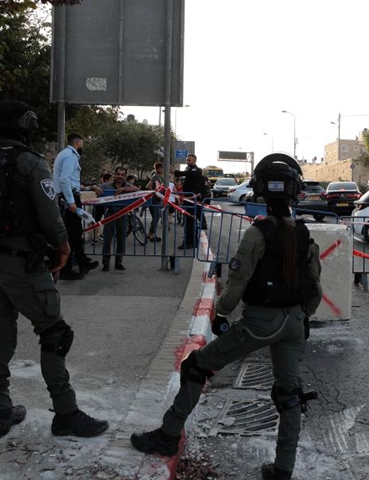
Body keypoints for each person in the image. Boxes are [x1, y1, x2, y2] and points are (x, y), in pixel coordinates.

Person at [130, 154, 323, 480]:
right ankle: (283, 468)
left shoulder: (258, 233)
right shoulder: (305, 234)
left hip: (260, 324)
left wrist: (221, 312)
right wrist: (299, 316)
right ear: (295, 191)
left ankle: (168, 435)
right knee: (289, 394)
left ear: (260, 189)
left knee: (196, 366)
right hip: (294, 323)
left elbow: (234, 289)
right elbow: (315, 288)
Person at [0, 100, 109, 438]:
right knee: (55, 333)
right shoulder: (29, 162)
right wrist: (63, 248)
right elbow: (50, 217)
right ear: (25, 126)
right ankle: (66, 413)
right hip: (22, 262)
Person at [52, 133, 101, 280]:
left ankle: (82, 261)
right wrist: (71, 202)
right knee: (72, 234)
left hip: (67, 197)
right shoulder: (71, 156)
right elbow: (65, 180)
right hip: (69, 199)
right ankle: (66, 269)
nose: (82, 146)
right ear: (78, 143)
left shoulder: (64, 154)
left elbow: (71, 181)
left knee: (76, 232)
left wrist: (87, 187)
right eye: (82, 144)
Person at [100, 166, 139, 271]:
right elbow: (96, 188)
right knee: (107, 240)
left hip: (122, 214)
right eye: (118, 174)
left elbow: (136, 189)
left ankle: (118, 262)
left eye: (122, 175)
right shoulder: (107, 185)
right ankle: (106, 263)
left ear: (125, 176)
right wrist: (96, 188)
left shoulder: (127, 185)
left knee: (121, 240)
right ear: (115, 174)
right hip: (110, 214)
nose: (120, 176)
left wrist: (123, 189)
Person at [177, 154, 204, 249]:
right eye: (187, 160)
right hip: (188, 199)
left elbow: (189, 174)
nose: (187, 162)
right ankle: (192, 242)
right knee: (189, 222)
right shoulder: (189, 170)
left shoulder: (196, 170)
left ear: (194, 161)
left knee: (190, 222)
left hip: (192, 200)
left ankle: (189, 242)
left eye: (189, 160)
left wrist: (176, 172)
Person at [145, 162, 164, 242]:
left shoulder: (160, 177)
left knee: (156, 217)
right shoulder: (155, 176)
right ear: (158, 169)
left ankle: (151, 233)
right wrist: (155, 193)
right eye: (161, 168)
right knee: (156, 217)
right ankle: (151, 234)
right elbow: (148, 186)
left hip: (158, 200)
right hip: (154, 200)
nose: (163, 170)